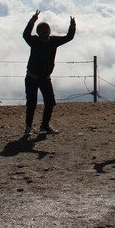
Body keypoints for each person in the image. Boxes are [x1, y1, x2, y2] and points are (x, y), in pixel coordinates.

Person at [21, 10, 76, 139]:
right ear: (39, 32)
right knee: (31, 103)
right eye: (44, 31)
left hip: (44, 78)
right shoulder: (34, 41)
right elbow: (25, 34)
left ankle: (44, 126)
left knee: (50, 102)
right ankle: (29, 127)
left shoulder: (52, 41)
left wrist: (72, 27)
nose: (46, 32)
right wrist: (32, 21)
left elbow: (69, 37)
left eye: (47, 30)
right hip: (32, 77)